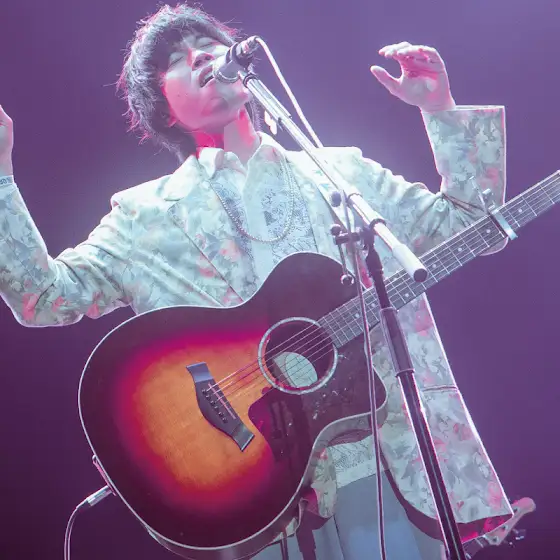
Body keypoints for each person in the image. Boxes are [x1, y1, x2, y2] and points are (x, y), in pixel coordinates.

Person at [0, 3, 512, 559]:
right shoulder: (144, 218)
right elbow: (42, 296)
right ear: (163, 109)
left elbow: (470, 225)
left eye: (208, 44)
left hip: (384, 461)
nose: (201, 56)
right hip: (249, 488)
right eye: (177, 59)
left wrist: (439, 110)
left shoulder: (340, 174)